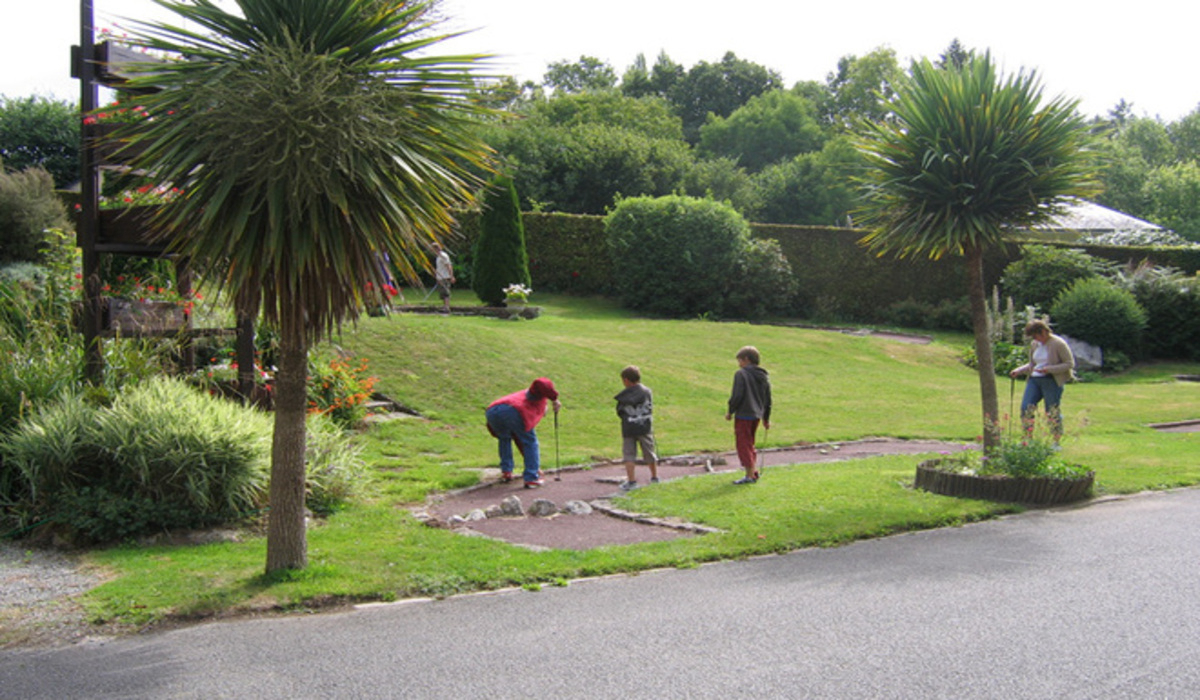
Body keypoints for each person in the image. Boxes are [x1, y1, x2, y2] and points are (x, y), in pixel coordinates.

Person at [485, 378, 562, 488]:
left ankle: (506, 472)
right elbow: (522, 441)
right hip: (513, 411)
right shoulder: (529, 408)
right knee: (530, 442)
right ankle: (531, 477)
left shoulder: (526, 394)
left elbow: (543, 387)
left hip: (492, 411)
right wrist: (535, 467)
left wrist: (554, 399)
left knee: (504, 438)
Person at [1009, 319, 1076, 442]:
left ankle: (1056, 440)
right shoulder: (1035, 344)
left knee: (1051, 411)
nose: (1035, 339)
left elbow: (1069, 364)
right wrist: (1019, 370)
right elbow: (1033, 364)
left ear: (1044, 331)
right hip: (1035, 379)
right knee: (1026, 407)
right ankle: (1027, 438)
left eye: (1036, 336)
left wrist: (1049, 369)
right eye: (1033, 337)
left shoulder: (1058, 343)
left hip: (1051, 380)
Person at [725, 346, 771, 484]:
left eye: (739, 360)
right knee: (750, 443)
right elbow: (768, 399)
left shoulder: (741, 374)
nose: (739, 364)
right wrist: (766, 418)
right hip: (757, 414)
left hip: (744, 414)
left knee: (743, 444)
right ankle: (752, 472)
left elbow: (737, 395)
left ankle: (749, 475)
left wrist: (730, 411)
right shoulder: (763, 376)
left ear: (746, 359)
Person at [614, 365, 658, 491]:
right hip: (644, 426)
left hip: (629, 428)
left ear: (626, 380)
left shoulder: (623, 396)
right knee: (649, 451)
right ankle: (654, 477)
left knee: (629, 454)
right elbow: (649, 407)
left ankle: (631, 481)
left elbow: (620, 411)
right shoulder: (646, 391)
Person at [433, 243, 454, 314]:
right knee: (442, 293)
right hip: (440, 277)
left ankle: (447, 307)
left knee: (446, 292)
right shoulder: (438, 257)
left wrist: (451, 276)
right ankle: (445, 306)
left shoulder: (443, 256)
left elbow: (449, 266)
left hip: (445, 277)